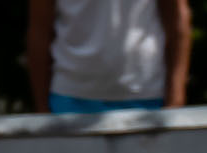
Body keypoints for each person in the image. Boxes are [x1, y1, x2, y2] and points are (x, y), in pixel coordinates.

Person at [28, 0, 189, 115]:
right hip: (69, 97)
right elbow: (39, 30)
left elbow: (177, 21)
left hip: (149, 96)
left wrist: (175, 101)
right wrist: (43, 109)